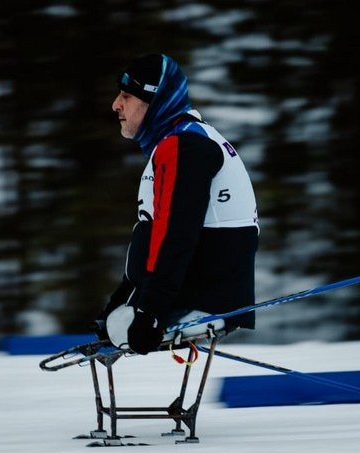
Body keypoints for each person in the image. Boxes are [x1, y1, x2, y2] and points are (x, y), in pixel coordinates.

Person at [97, 53, 259, 355]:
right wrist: (120, 301)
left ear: (153, 101)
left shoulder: (184, 147)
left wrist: (150, 313)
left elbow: (175, 236)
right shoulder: (182, 140)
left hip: (203, 301)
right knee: (116, 324)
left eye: (126, 96)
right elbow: (158, 234)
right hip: (202, 290)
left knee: (122, 328)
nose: (116, 105)